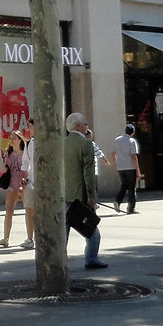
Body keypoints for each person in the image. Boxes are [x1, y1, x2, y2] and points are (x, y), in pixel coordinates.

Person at [62, 113, 108, 269]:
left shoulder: (61, 144)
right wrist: (91, 196)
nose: (87, 126)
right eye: (85, 124)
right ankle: (91, 259)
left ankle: (60, 258)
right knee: (91, 230)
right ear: (78, 126)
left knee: (64, 230)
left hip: (64, 194)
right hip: (80, 196)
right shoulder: (86, 144)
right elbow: (88, 174)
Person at [0, 129, 27, 247]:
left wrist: (24, 184)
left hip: (23, 185)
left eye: (14, 138)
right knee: (9, 211)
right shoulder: (8, 154)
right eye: (11, 138)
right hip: (11, 185)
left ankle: (31, 237)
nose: (11, 140)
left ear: (20, 139)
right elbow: (5, 169)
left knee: (29, 211)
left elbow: (27, 170)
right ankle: (5, 238)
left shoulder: (25, 153)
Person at [112, 124, 141, 214]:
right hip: (130, 166)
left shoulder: (117, 140)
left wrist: (116, 164)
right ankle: (131, 208)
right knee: (132, 188)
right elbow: (133, 156)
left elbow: (113, 153)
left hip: (120, 167)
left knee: (124, 185)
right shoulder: (132, 141)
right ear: (133, 132)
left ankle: (118, 200)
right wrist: (138, 171)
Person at [17, 121, 37, 249]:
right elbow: (25, 162)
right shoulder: (29, 143)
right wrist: (24, 178)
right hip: (30, 183)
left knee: (41, 212)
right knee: (29, 210)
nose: (28, 129)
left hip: (45, 183)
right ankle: (30, 238)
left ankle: (41, 237)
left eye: (30, 127)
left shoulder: (48, 142)